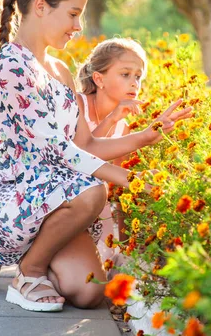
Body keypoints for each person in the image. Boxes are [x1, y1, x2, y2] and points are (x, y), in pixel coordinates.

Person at [0, 0, 193, 313]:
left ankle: (15, 249)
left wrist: (147, 136)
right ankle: (28, 270)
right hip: (9, 195)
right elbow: (60, 151)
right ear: (41, 7)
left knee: (87, 293)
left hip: (49, 196)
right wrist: (128, 179)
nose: (78, 25)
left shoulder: (58, 68)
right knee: (92, 191)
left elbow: (84, 145)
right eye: (73, 14)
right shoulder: (9, 67)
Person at [76, 38, 147, 263]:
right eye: (125, 74)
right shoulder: (78, 105)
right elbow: (83, 153)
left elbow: (119, 183)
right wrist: (112, 117)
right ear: (99, 79)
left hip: (100, 202)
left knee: (109, 261)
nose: (134, 83)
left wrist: (125, 244)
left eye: (138, 76)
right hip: (70, 198)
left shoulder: (124, 123)